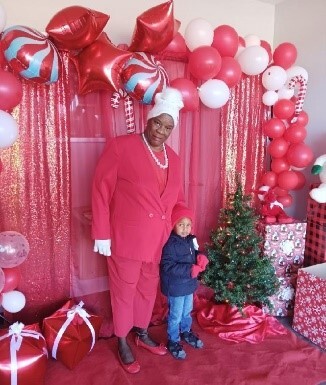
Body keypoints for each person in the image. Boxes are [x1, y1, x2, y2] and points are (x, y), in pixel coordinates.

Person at [91, 87, 185, 374]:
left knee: (146, 290)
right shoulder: (121, 146)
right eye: (158, 122)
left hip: (157, 242)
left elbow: (176, 201)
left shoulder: (175, 159)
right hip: (125, 240)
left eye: (168, 126)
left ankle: (141, 331)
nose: (161, 130)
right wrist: (102, 233)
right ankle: (122, 338)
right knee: (124, 291)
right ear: (149, 118)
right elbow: (100, 191)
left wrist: (182, 224)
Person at [160, 205, 209, 360]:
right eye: (181, 225)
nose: (185, 228)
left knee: (187, 312)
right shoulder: (169, 243)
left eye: (188, 225)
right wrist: (189, 269)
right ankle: (173, 340)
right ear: (173, 224)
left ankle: (186, 331)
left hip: (188, 285)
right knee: (175, 315)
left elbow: (193, 253)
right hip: (175, 287)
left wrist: (200, 256)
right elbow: (167, 266)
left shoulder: (190, 240)